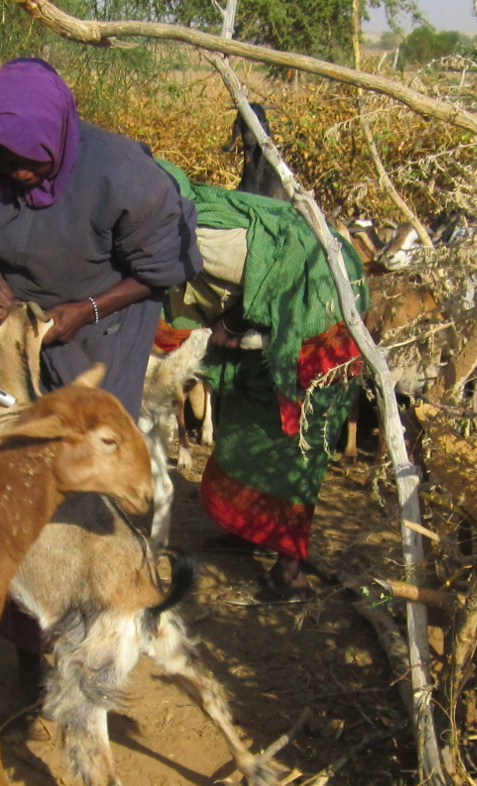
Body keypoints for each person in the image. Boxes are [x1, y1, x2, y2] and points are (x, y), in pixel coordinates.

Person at [0, 58, 201, 416]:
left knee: (83, 436)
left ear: (62, 136)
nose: (21, 173)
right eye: (5, 160)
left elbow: (166, 265)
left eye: (36, 161)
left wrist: (87, 310)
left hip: (92, 343)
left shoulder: (125, 176)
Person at [152, 159, 367, 600]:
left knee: (294, 453)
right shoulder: (183, 222)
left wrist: (232, 324)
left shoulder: (206, 238)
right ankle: (248, 530)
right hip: (271, 326)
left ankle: (291, 573)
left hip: (323, 332)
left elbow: (282, 272)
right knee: (242, 431)